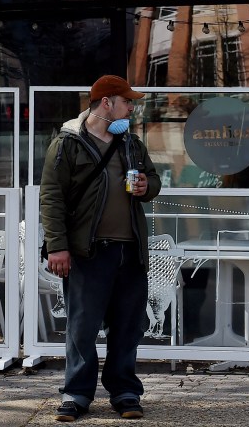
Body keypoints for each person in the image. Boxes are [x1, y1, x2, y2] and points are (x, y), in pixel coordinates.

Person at [40, 74, 161, 422]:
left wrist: (145, 187)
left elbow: (153, 180)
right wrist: (57, 247)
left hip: (130, 250)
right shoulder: (67, 144)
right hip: (87, 251)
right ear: (106, 103)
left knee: (128, 325)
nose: (132, 107)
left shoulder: (132, 143)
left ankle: (124, 392)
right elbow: (52, 199)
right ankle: (76, 394)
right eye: (127, 102)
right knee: (82, 326)